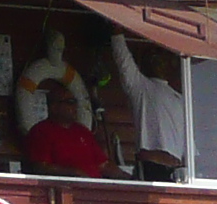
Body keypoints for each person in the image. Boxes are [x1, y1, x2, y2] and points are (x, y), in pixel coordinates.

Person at [100, 33, 188, 180]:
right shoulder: (141, 87)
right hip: (152, 166)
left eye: (160, 57)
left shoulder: (180, 99)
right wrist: (117, 34)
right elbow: (123, 61)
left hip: (178, 172)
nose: (156, 61)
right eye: (152, 57)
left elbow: (189, 148)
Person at [21, 81, 110, 178]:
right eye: (70, 102)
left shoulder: (83, 131)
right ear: (54, 107)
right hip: (67, 189)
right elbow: (41, 168)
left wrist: (127, 177)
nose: (75, 107)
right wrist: (75, 172)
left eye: (75, 102)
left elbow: (103, 165)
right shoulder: (41, 131)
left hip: (95, 188)